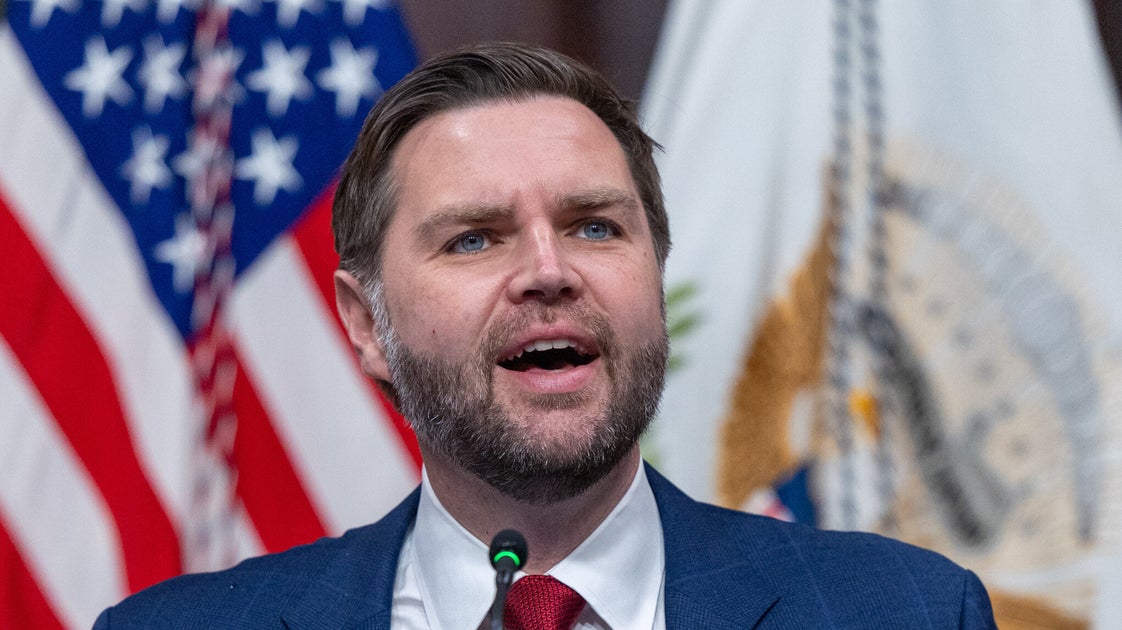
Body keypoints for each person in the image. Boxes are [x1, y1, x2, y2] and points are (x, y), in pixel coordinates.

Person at [94, 42, 996, 629]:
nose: (548, 270)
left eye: (595, 226)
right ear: (366, 325)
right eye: (474, 238)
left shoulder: (909, 611)